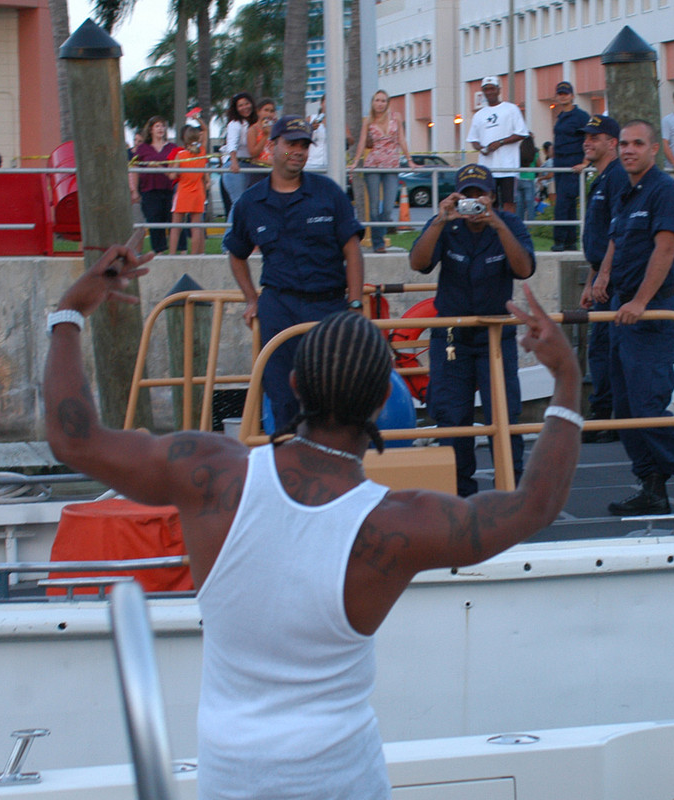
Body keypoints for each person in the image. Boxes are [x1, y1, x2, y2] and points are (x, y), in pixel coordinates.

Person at [44, 230, 580, 799]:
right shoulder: (399, 524)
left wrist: (71, 311)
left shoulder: (211, 472)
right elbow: (535, 504)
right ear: (382, 405)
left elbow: (74, 441)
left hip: (231, 781)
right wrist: (567, 378)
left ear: (294, 385)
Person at [592, 119, 674, 516]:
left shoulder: (667, 193)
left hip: (651, 311)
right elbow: (616, 240)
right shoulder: (625, 192)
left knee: (647, 407)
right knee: (625, 410)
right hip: (622, 310)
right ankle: (651, 486)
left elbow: (664, 251)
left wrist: (640, 302)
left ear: (654, 148)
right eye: (624, 143)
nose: (628, 150)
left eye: (637, 144)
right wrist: (602, 277)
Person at [224, 115, 365, 434]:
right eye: (291, 144)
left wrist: (355, 306)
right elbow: (236, 254)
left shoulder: (328, 193)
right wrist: (251, 298)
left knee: (333, 398)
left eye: (304, 145)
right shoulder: (251, 202)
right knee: (282, 398)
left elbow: (352, 250)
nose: (298, 151)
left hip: (327, 307)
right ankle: (289, 476)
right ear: (272, 147)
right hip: (278, 309)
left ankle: (331, 475)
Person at [409, 163, 535, 497]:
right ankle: (457, 493)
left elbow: (524, 269)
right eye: (467, 194)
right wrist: (439, 219)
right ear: (457, 197)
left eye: (481, 194)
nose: (474, 201)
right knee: (451, 420)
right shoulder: (446, 225)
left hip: (496, 337)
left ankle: (511, 492)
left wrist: (497, 225)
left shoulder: (509, 224)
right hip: (451, 337)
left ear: (493, 196)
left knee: (504, 416)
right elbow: (418, 263)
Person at [577, 114, 629, 444]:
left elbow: (616, 232)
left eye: (595, 137)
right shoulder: (600, 178)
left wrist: (604, 275)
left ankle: (611, 418)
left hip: (615, 279)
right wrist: (590, 278)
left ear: (612, 142)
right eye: (586, 136)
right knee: (600, 349)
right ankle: (601, 413)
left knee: (611, 351)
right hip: (601, 276)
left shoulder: (617, 177)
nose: (587, 142)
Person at [352, 90, 411, 253]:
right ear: (373, 102)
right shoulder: (368, 121)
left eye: (383, 101)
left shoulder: (396, 117)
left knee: (388, 207)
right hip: (373, 164)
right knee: (373, 207)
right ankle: (378, 243)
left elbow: (402, 140)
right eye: (377, 100)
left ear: (387, 103)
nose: (380, 103)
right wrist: (356, 161)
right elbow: (362, 142)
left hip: (392, 165)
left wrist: (410, 160)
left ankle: (379, 237)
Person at [467, 76, 529, 214]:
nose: (489, 92)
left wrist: (500, 143)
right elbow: (473, 140)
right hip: (487, 169)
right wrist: (481, 148)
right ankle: (491, 231)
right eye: (486, 89)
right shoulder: (479, 115)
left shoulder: (511, 109)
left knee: (509, 202)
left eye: (492, 89)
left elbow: (522, 133)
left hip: (508, 166)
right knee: (488, 202)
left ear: (498, 90)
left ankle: (509, 229)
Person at [130, 116, 181, 254]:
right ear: (151, 129)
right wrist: (134, 190)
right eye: (157, 126)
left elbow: (177, 168)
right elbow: (134, 169)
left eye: (163, 126)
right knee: (154, 220)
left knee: (173, 221)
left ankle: (176, 252)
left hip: (169, 190)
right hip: (149, 189)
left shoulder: (172, 147)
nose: (160, 129)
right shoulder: (143, 148)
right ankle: (158, 252)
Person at [550, 81, 589, 252]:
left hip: (573, 163)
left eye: (566, 93)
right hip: (560, 163)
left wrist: (586, 163)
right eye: (560, 93)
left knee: (563, 203)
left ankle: (560, 240)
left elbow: (590, 139)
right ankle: (570, 242)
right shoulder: (559, 116)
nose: (563, 96)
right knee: (567, 204)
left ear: (572, 95)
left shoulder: (581, 116)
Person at [168, 124, 210, 255]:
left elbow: (172, 175)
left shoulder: (180, 155)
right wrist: (198, 120)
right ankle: (194, 255)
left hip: (183, 193)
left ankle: (172, 254)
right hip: (198, 193)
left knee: (176, 226)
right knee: (196, 227)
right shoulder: (202, 153)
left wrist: (165, 169)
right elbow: (206, 132)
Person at [221, 92, 258, 214]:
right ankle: (230, 233)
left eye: (247, 103)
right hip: (237, 165)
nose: (245, 107)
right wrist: (234, 162)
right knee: (239, 204)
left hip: (254, 166)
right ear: (236, 109)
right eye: (240, 105)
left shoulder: (258, 124)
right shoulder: (235, 124)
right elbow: (232, 143)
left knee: (252, 203)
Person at [245, 97, 277, 180]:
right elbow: (253, 153)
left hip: (275, 170)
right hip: (258, 169)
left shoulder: (277, 129)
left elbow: (286, 153)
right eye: (266, 110)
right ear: (258, 111)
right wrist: (265, 136)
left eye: (271, 111)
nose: (269, 114)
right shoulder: (253, 129)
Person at [515, 134, 539, 221]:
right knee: (530, 205)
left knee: (519, 205)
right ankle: (532, 227)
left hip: (519, 179)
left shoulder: (518, 152)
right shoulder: (534, 153)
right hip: (529, 179)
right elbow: (539, 165)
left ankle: (519, 224)